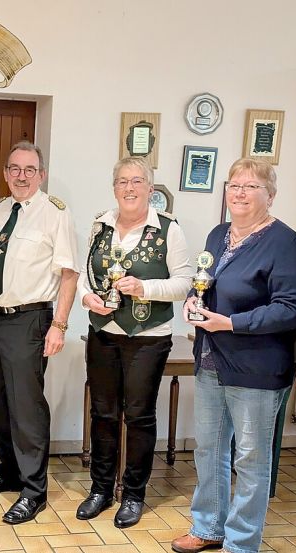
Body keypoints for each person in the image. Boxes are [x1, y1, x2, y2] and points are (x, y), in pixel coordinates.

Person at [172, 158, 296, 553]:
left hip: (257, 367)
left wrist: (231, 323)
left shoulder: (284, 242)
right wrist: (193, 303)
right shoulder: (218, 235)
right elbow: (205, 282)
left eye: (250, 186)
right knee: (209, 448)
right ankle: (208, 527)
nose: (240, 193)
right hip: (211, 359)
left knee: (249, 458)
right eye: (234, 185)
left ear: (271, 194)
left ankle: (242, 543)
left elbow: (291, 307)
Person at [76, 156, 192, 528]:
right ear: (114, 188)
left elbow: (185, 282)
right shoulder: (100, 225)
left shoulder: (169, 229)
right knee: (103, 413)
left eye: (137, 181)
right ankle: (101, 489)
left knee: (139, 417)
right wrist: (85, 297)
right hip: (103, 334)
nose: (129, 188)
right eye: (123, 181)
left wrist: (146, 288)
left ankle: (134, 494)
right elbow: (84, 274)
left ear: (150, 188)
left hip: (148, 338)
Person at [0, 141, 79, 524]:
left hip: (30, 319)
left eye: (30, 169)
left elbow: (69, 274)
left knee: (27, 407)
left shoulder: (54, 214)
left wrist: (59, 325)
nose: (21, 176)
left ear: (41, 174)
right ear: (5, 173)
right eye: (14, 168)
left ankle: (34, 490)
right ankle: (9, 472)